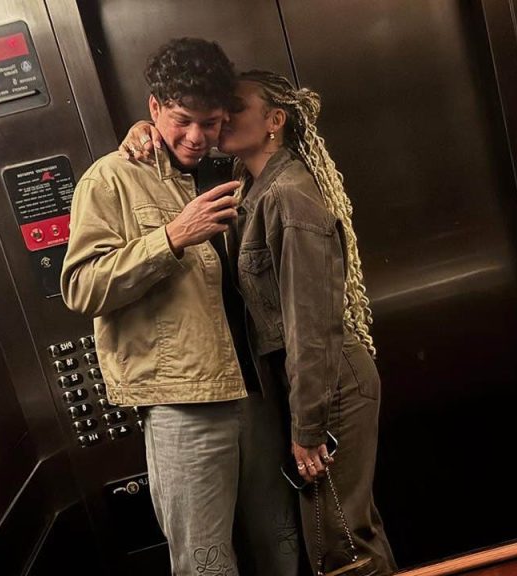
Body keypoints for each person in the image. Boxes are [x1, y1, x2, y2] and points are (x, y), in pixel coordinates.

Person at [121, 70, 396, 575]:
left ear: (274, 120)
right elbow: (174, 147)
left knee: (341, 540)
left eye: (235, 108)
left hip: (328, 384)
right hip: (303, 384)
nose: (222, 118)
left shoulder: (288, 194)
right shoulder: (247, 184)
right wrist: (145, 130)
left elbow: (311, 325)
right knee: (334, 533)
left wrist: (308, 426)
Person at [61, 39, 300, 576]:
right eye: (181, 121)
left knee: (281, 549)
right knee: (205, 564)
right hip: (183, 403)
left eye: (210, 122)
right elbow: (80, 287)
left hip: (257, 393)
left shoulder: (229, 169)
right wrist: (170, 238)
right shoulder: (112, 178)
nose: (196, 137)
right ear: (154, 108)